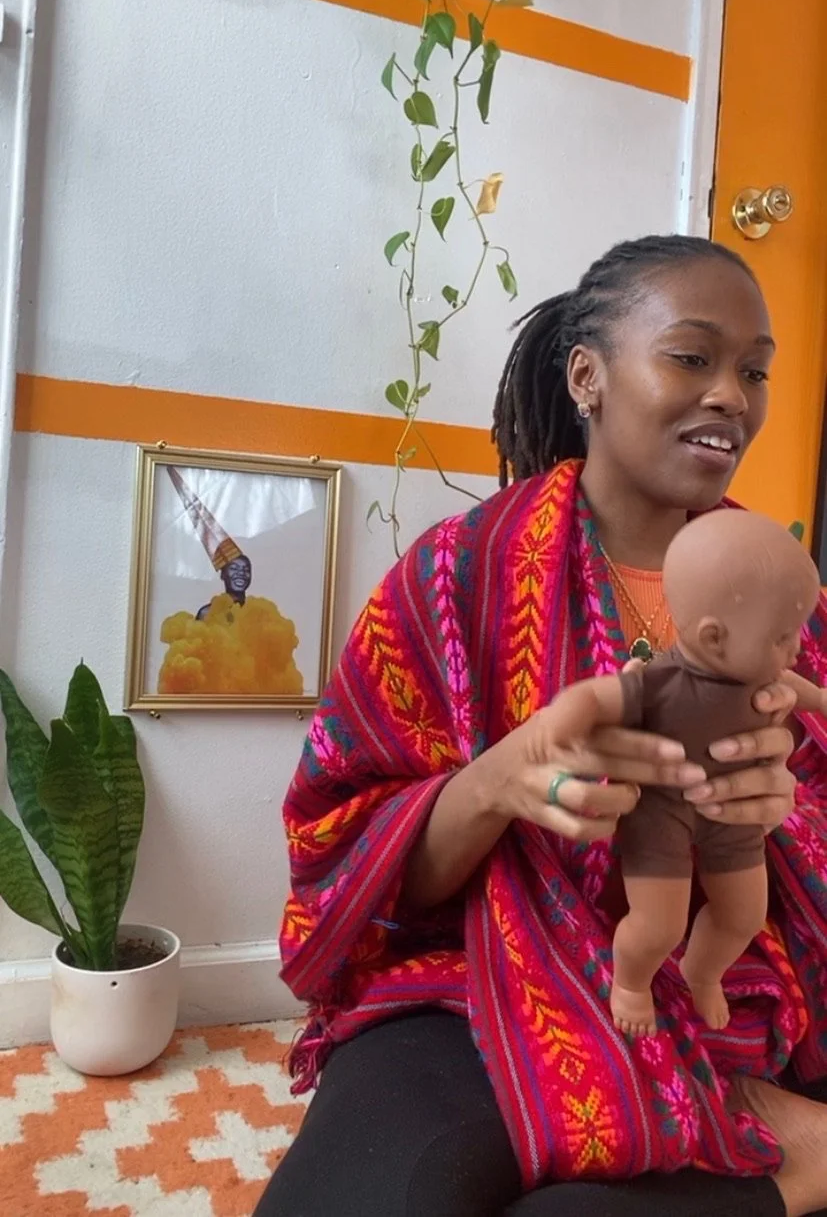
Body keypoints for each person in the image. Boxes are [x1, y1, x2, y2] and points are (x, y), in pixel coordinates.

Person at [254, 235, 827, 1217]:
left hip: (728, 986)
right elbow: (343, 848)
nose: (730, 395)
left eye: (753, 371)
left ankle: (758, 1137)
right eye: (692, 357)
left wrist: (777, 817)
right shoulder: (453, 577)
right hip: (474, 978)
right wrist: (496, 781)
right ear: (586, 377)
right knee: (387, 1194)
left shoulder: (780, 594)